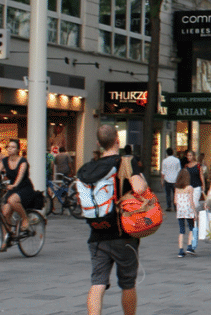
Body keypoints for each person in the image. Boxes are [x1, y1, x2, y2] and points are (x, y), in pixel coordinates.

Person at [78, 124, 148, 315]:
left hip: (97, 233)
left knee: (98, 283)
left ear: (99, 144)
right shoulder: (125, 162)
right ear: (118, 139)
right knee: (127, 283)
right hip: (123, 233)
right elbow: (140, 188)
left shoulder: (88, 167)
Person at [0, 138, 32, 232]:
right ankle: (6, 237)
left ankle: (25, 219)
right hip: (12, 187)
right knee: (5, 213)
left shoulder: (23, 161)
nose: (10, 149)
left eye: (13, 147)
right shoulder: (5, 161)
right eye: (8, 147)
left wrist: (14, 185)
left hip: (24, 187)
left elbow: (20, 175)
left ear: (18, 150)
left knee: (12, 200)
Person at [173, 168, 196, 257]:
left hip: (180, 210)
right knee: (191, 228)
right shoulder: (189, 188)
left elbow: (175, 201)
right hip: (188, 210)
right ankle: (189, 247)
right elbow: (191, 201)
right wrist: (195, 212)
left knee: (181, 230)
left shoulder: (177, 188)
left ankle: (180, 250)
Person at [161, 147, 181, 212]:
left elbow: (163, 172)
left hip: (167, 179)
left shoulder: (164, 161)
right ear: (173, 152)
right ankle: (176, 206)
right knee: (176, 193)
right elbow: (179, 170)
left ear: (167, 153)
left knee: (168, 194)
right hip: (175, 179)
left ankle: (169, 206)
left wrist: (162, 180)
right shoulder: (177, 160)